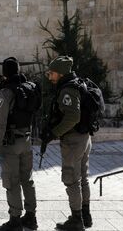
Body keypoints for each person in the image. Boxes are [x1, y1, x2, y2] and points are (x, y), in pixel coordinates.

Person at [0, 58, 38, 231]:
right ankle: (31, 217)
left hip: (11, 144)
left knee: (12, 181)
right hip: (27, 140)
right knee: (27, 179)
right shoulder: (26, 88)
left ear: (4, 73)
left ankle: (15, 220)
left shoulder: (5, 92)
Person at [44, 56, 92, 231]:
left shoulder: (67, 90)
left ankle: (77, 219)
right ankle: (86, 216)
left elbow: (73, 117)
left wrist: (54, 133)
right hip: (84, 137)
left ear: (61, 73)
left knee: (71, 179)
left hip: (74, 140)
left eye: (52, 73)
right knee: (83, 178)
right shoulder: (77, 83)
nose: (50, 77)